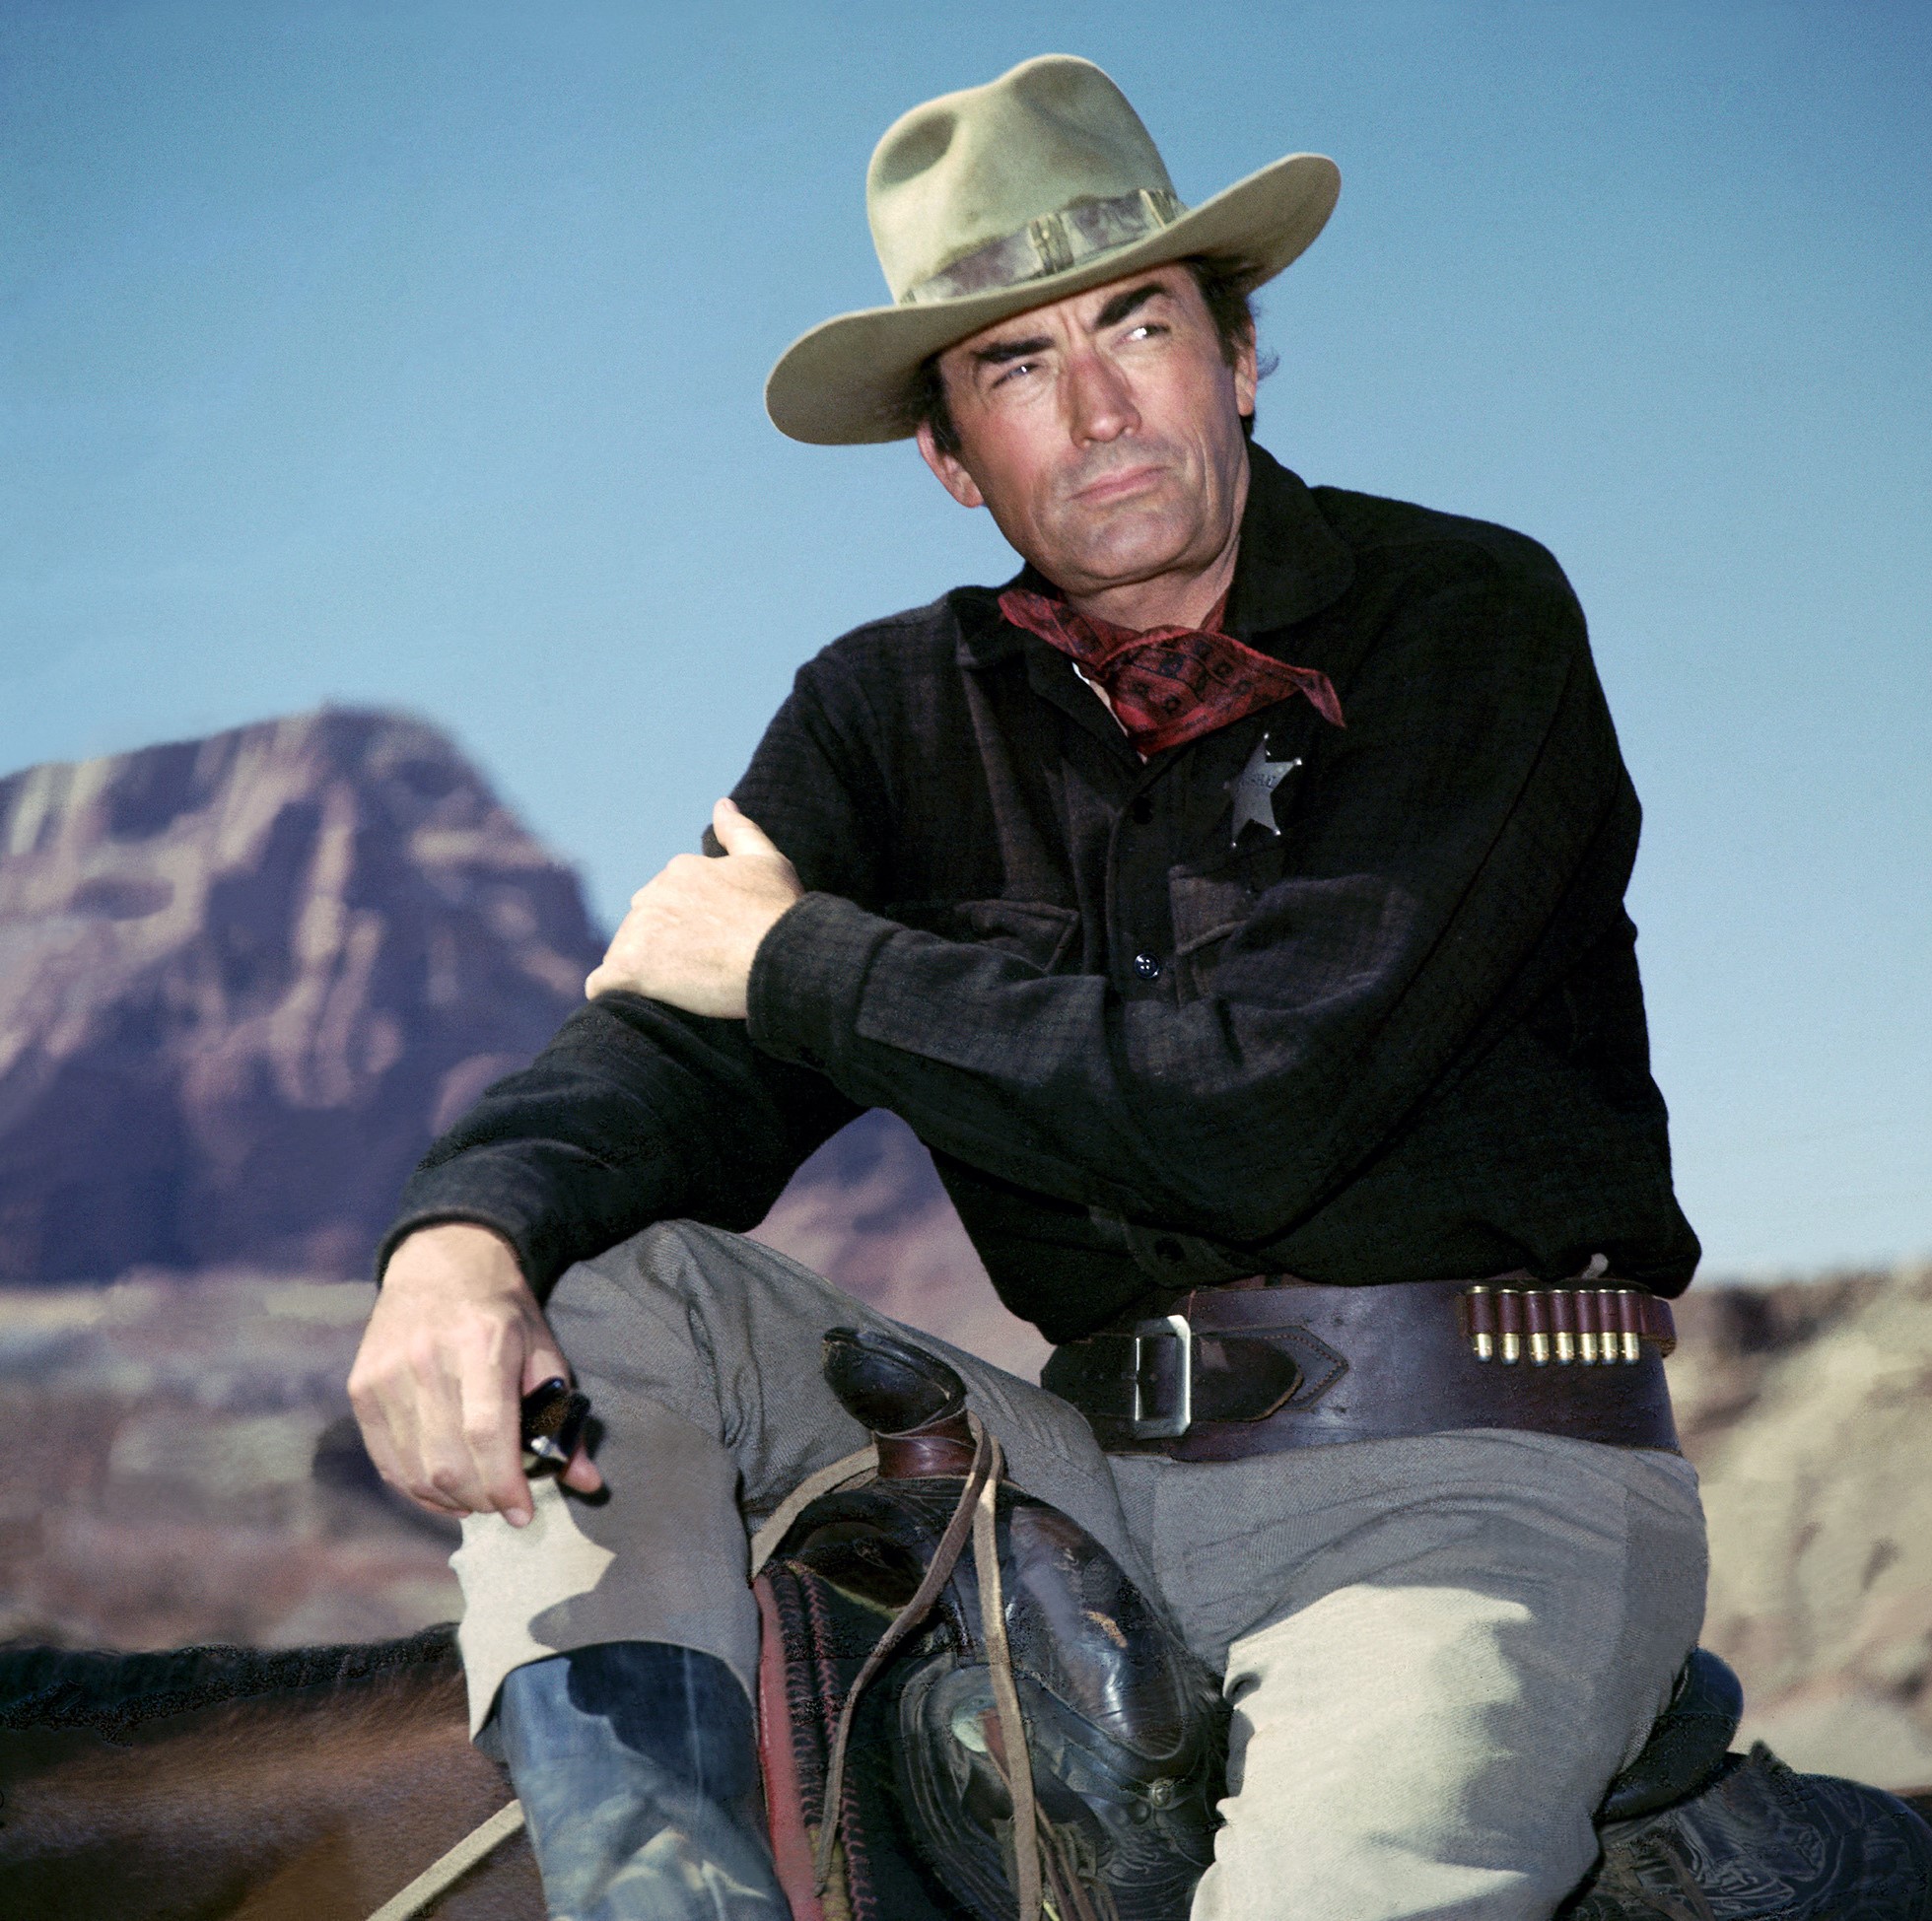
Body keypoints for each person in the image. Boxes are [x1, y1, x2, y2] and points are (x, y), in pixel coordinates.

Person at [350, 53, 1708, 1921]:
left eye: (1138, 324)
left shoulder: (1466, 620)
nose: (1097, 407)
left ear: (1242, 356)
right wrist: (459, 1240)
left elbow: (1259, 1102)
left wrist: (800, 957)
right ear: (949, 457)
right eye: (1013, 366)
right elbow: (674, 1053)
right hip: (1078, 1472)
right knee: (605, 1287)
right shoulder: (885, 711)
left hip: (1473, 1487)